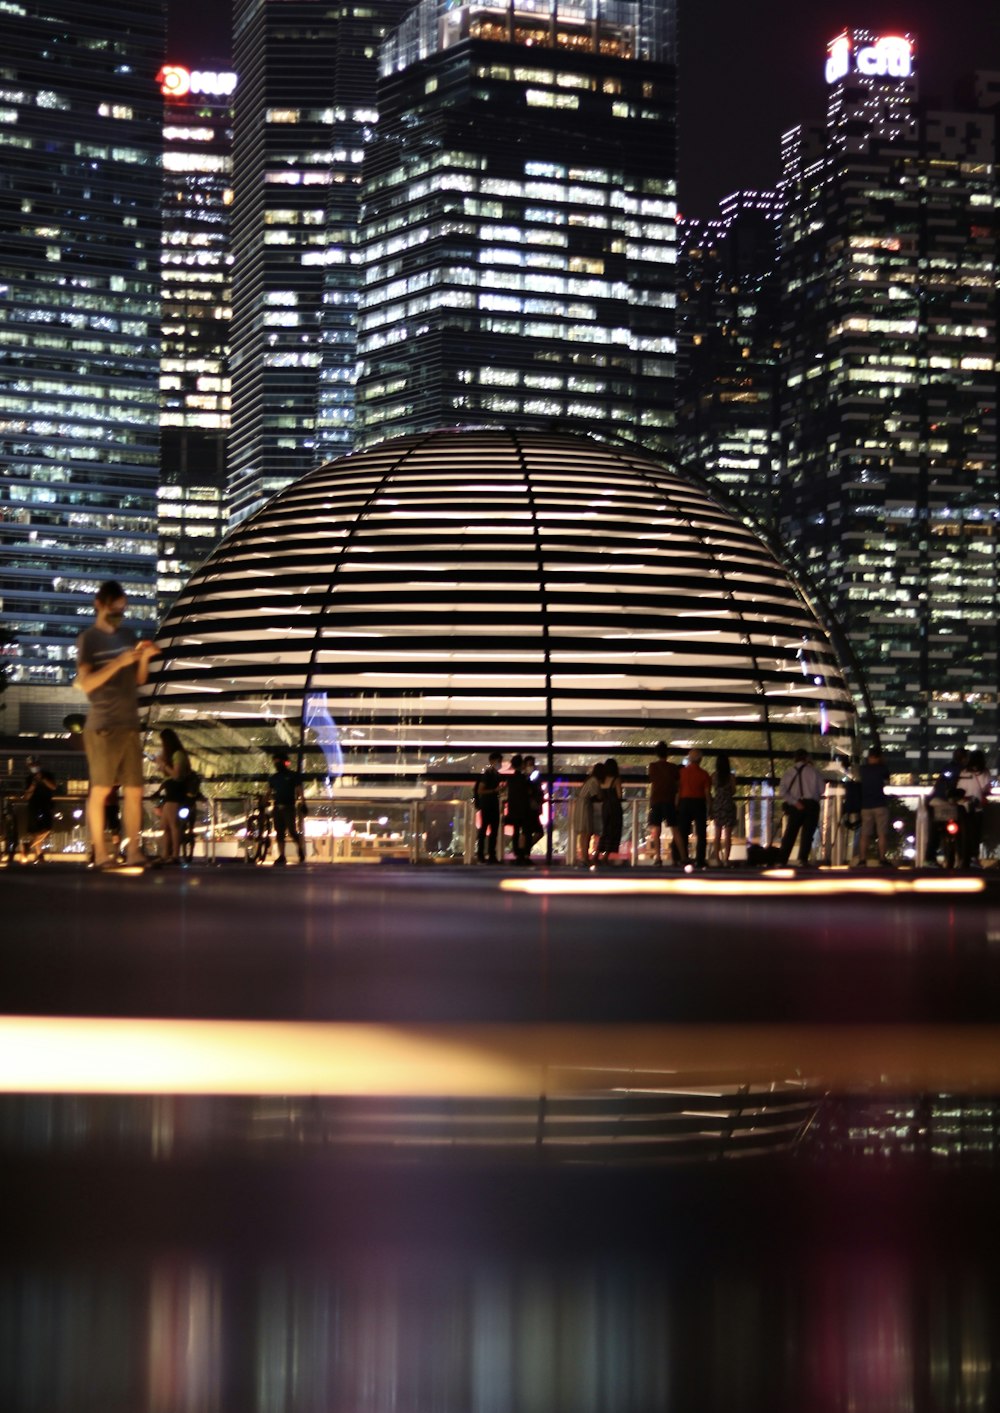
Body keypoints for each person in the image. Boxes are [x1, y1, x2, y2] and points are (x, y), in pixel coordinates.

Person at [74, 580, 160, 868]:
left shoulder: (127, 634)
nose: (119, 616)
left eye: (122, 611)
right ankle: (100, 853)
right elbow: (87, 683)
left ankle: (133, 850)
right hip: (103, 724)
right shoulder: (89, 639)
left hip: (129, 722)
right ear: (99, 605)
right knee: (101, 789)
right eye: (114, 610)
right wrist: (118, 663)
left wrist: (143, 658)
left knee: (135, 790)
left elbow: (138, 679)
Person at [777, 749, 826, 866]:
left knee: (790, 833)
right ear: (807, 758)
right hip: (812, 805)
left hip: (795, 805)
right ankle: (802, 859)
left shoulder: (789, 772)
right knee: (808, 834)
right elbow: (822, 789)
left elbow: (783, 791)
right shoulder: (814, 772)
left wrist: (794, 802)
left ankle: (782, 859)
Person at [155, 728, 191, 864]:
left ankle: (174, 854)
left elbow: (176, 775)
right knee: (165, 825)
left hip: (175, 792)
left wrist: (164, 765)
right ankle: (166, 853)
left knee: (172, 824)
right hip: (170, 793)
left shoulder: (178, 755)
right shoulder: (175, 755)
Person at [647, 741, 682, 866]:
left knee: (656, 830)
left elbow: (652, 782)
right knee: (675, 830)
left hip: (656, 800)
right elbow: (678, 786)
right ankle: (683, 857)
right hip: (669, 800)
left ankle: (658, 858)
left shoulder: (652, 766)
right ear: (667, 752)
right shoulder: (673, 767)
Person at [267, 753, 306, 865]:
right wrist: (264, 801)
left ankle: (300, 850)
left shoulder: (293, 776)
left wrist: (303, 803)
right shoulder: (274, 778)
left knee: (292, 832)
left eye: (278, 762)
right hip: (278, 807)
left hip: (288, 807)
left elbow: (299, 790)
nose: (276, 764)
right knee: (279, 833)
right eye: (275, 762)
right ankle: (282, 856)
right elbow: (269, 792)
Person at [956, 750, 991, 868]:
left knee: (963, 833)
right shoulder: (984, 772)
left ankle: (961, 857)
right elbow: (986, 789)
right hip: (977, 807)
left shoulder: (964, 771)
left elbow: (959, 788)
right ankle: (973, 857)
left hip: (963, 805)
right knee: (976, 832)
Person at [677, 748, 712, 868]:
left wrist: (676, 805)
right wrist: (710, 806)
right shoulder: (704, 774)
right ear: (700, 759)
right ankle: (700, 859)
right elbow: (707, 793)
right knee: (701, 833)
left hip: (684, 803)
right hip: (699, 803)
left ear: (689, 759)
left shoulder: (682, 773)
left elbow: (678, 791)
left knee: (683, 832)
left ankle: (684, 858)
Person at [856, 747, 890, 866]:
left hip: (866, 805)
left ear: (869, 757)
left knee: (865, 833)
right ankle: (882, 858)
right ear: (879, 757)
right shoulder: (882, 769)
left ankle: (862, 859)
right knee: (881, 833)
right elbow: (887, 780)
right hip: (880, 804)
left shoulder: (863, 769)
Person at [21, 757, 58, 863]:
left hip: (46, 804)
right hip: (33, 805)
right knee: (35, 831)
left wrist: (42, 779)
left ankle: (28, 846)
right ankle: (39, 854)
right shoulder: (29, 778)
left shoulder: (47, 775)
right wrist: (33, 784)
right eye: (31, 766)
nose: (33, 768)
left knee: (47, 828)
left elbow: (53, 787)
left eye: (35, 765)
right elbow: (27, 796)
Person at [473, 751, 503, 863]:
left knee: (492, 831)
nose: (500, 763)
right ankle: (482, 854)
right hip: (487, 805)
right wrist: (494, 791)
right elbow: (481, 790)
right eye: (499, 761)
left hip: (492, 805)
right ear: (492, 761)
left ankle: (491, 855)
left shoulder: (496, 774)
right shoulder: (488, 774)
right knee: (485, 830)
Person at [575, 762, 607, 864]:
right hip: (586, 807)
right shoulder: (594, 781)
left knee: (583, 832)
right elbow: (595, 797)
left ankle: (584, 856)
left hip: (582, 805)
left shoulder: (589, 780)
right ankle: (585, 857)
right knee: (586, 832)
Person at [504, 753, 533, 863]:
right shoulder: (524, 779)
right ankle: (525, 854)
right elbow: (529, 792)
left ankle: (517, 853)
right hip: (524, 809)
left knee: (516, 832)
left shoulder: (510, 779)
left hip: (513, 809)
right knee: (526, 832)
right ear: (522, 765)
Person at [595, 757, 624, 863]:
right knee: (613, 830)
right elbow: (619, 795)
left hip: (605, 807)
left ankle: (597, 854)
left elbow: (600, 795)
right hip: (615, 807)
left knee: (605, 831)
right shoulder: (616, 779)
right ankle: (606, 855)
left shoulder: (602, 780)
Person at [710, 753, 737, 867]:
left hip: (718, 805)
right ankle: (726, 859)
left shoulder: (714, 776)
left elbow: (712, 789)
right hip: (728, 805)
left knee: (717, 834)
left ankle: (717, 858)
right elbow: (734, 791)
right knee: (728, 835)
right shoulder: (731, 777)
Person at [523, 755, 546, 855]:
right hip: (527, 809)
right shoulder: (524, 778)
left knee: (536, 832)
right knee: (529, 832)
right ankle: (525, 851)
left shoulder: (536, 777)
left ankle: (524, 850)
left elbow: (539, 792)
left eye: (532, 764)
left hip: (534, 808)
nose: (531, 766)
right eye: (529, 764)